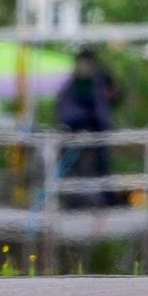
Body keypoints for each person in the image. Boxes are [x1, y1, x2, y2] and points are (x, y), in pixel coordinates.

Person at [56, 47, 118, 205]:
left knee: (101, 165)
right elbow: (65, 109)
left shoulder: (100, 81)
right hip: (76, 131)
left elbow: (114, 96)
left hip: (98, 131)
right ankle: (75, 201)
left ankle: (107, 199)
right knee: (76, 167)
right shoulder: (72, 85)